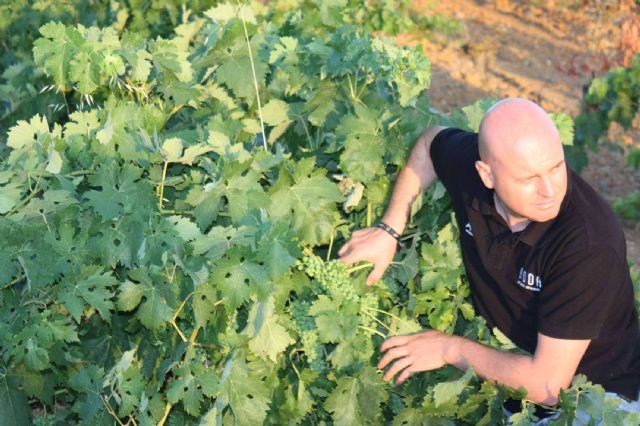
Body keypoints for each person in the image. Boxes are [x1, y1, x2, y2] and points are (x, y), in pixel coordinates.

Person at [338, 98, 640, 421]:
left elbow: (547, 385)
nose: (550, 190)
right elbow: (430, 144)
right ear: (487, 174)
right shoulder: (470, 169)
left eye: (556, 167)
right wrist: (389, 228)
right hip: (515, 374)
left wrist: (448, 349)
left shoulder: (588, 244)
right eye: (529, 178)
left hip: (595, 396)